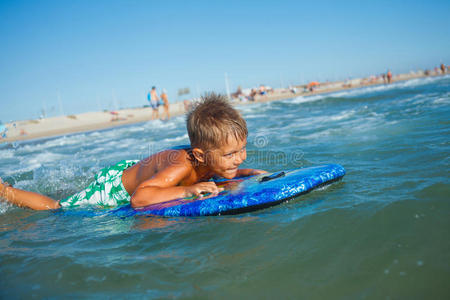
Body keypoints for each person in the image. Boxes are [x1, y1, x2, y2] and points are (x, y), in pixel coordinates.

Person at [0, 93, 266, 210]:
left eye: (242, 149)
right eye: (231, 155)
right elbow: (140, 198)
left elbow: (212, 171)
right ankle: (5, 191)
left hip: (134, 170)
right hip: (115, 187)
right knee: (57, 207)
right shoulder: (182, 166)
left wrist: (243, 172)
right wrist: (187, 191)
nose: (240, 157)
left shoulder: (207, 157)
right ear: (199, 154)